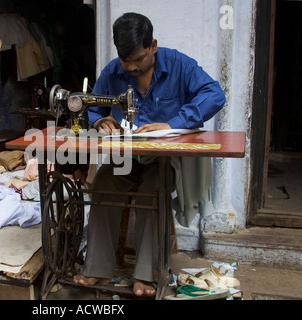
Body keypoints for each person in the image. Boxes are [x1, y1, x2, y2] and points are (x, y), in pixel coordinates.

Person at [73, 13, 225, 297]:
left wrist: (175, 123)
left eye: (138, 59)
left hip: (165, 158)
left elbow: (214, 94)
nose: (131, 66)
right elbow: (93, 104)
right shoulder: (113, 71)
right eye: (125, 60)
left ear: (152, 45)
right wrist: (98, 121)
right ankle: (96, 267)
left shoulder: (179, 65)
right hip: (127, 156)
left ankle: (146, 274)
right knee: (104, 184)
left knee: (153, 192)